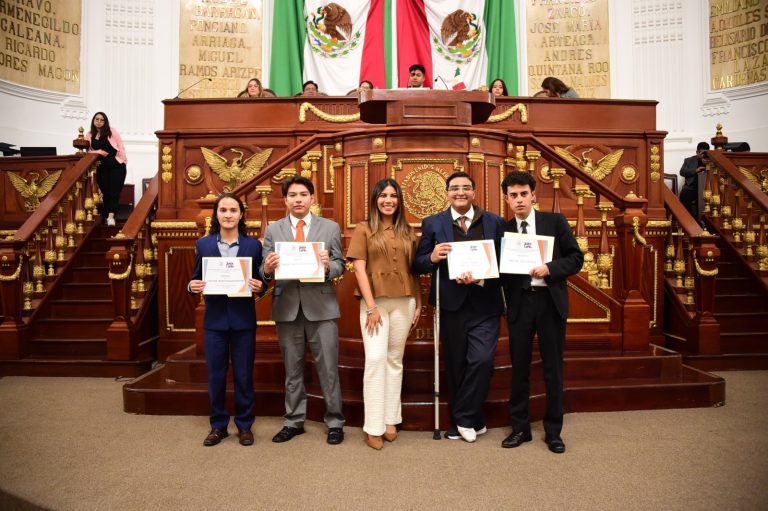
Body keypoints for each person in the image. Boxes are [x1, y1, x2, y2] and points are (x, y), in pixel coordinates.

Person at [413, 171, 504, 443]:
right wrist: (432, 256)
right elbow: (418, 264)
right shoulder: (432, 223)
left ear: (474, 192)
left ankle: (463, 418)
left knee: (482, 360)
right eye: (455, 188)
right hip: (451, 304)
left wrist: (485, 273)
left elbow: (505, 261)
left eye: (466, 188)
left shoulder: (495, 222)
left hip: (485, 302)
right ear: (447, 193)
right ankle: (473, 420)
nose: (460, 193)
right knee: (455, 364)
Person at [496, 171, 583, 454]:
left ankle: (554, 431)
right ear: (506, 199)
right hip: (520, 306)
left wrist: (550, 268)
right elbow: (498, 270)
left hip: (549, 303)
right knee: (519, 368)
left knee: (552, 369)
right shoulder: (503, 230)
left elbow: (575, 258)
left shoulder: (554, 222)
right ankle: (520, 428)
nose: (519, 200)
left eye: (524, 194)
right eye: (513, 195)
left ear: (534, 195)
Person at [260, 176, 346, 445]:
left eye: (303, 194)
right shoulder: (273, 230)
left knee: (329, 368)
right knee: (292, 369)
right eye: (293, 195)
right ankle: (293, 420)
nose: (298, 199)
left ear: (312, 198)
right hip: (287, 307)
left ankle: (334, 422)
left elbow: (340, 265)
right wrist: (267, 268)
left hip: (322, 307)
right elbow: (264, 271)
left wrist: (327, 265)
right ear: (285, 200)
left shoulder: (329, 228)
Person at [347, 178, 421, 450]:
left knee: (394, 360)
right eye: (383, 195)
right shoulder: (364, 229)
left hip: (405, 302)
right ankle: (373, 426)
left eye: (393, 196)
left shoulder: (408, 231)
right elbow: (358, 269)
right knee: (376, 359)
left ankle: (391, 418)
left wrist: (419, 303)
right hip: (374, 303)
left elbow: (414, 270)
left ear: (399, 201)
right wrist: (371, 307)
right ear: (375, 199)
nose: (388, 200)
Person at [188, 193, 265, 447]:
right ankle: (218, 426)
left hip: (243, 321)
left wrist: (259, 286)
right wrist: (192, 285)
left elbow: (260, 282)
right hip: (215, 322)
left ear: (241, 214)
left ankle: (244, 425)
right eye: (223, 210)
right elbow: (195, 277)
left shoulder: (253, 246)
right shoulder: (204, 244)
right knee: (216, 376)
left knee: (244, 375)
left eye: (233, 210)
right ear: (216, 214)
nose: (229, 214)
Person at [85, 112, 127, 226]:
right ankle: (106, 215)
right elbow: (87, 151)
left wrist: (123, 160)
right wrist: (97, 152)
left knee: (114, 192)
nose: (99, 121)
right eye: (97, 119)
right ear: (93, 121)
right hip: (101, 167)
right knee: (105, 192)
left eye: (101, 120)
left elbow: (120, 146)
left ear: (105, 122)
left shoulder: (112, 131)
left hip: (116, 165)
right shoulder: (89, 135)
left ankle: (111, 216)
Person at [679, 142, 710, 220]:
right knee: (684, 195)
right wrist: (696, 170)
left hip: (706, 188)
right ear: (697, 152)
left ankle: (705, 221)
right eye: (701, 152)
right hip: (691, 187)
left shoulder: (711, 160)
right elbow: (682, 172)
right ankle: (691, 219)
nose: (703, 155)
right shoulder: (688, 160)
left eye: (705, 153)